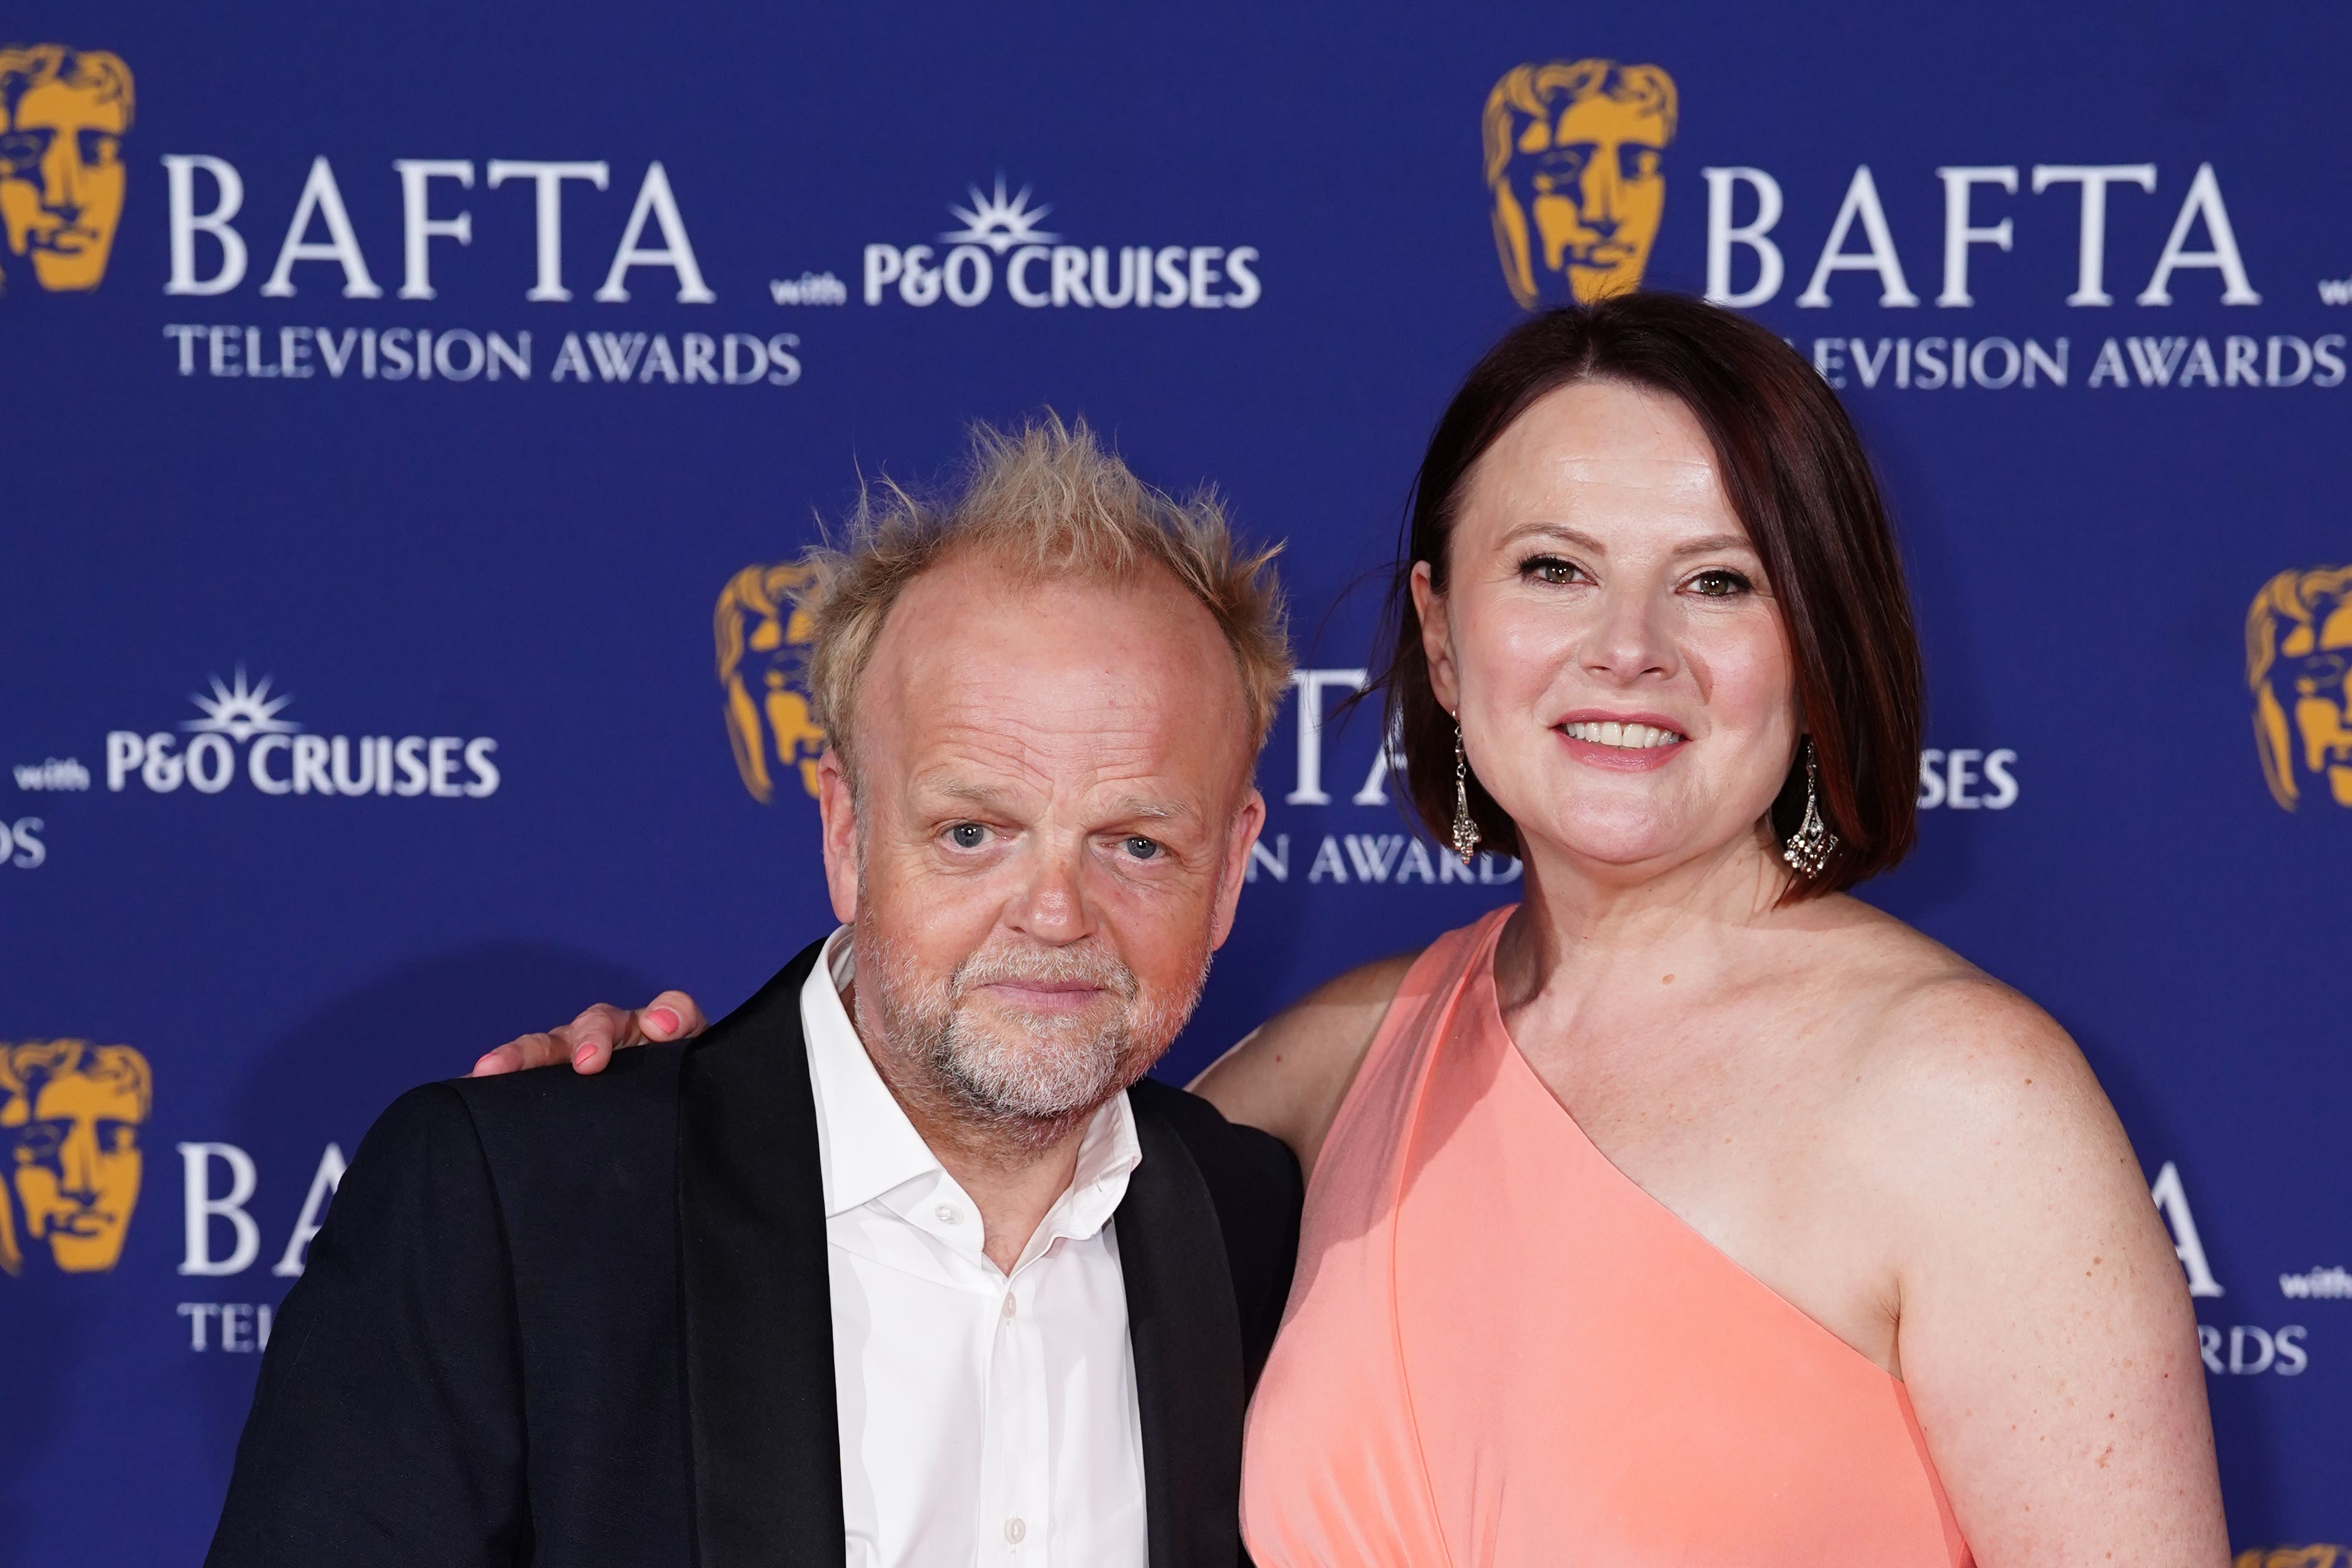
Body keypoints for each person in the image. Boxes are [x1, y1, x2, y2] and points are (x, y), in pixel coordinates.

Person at [483, 295, 2230, 1564]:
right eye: (1551, 569)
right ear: (1442, 641)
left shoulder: (1966, 1105)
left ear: (1817, 636)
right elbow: (951, 1183)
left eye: (1717, 578)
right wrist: (638, 1133)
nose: (1627, 648)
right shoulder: (1349, 1058)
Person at [205, 419, 1304, 1568]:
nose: (1055, 912)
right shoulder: (517, 1216)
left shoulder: (1260, 1231)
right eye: (973, 832)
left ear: (1229, 872)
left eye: (1135, 845)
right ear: (846, 833)